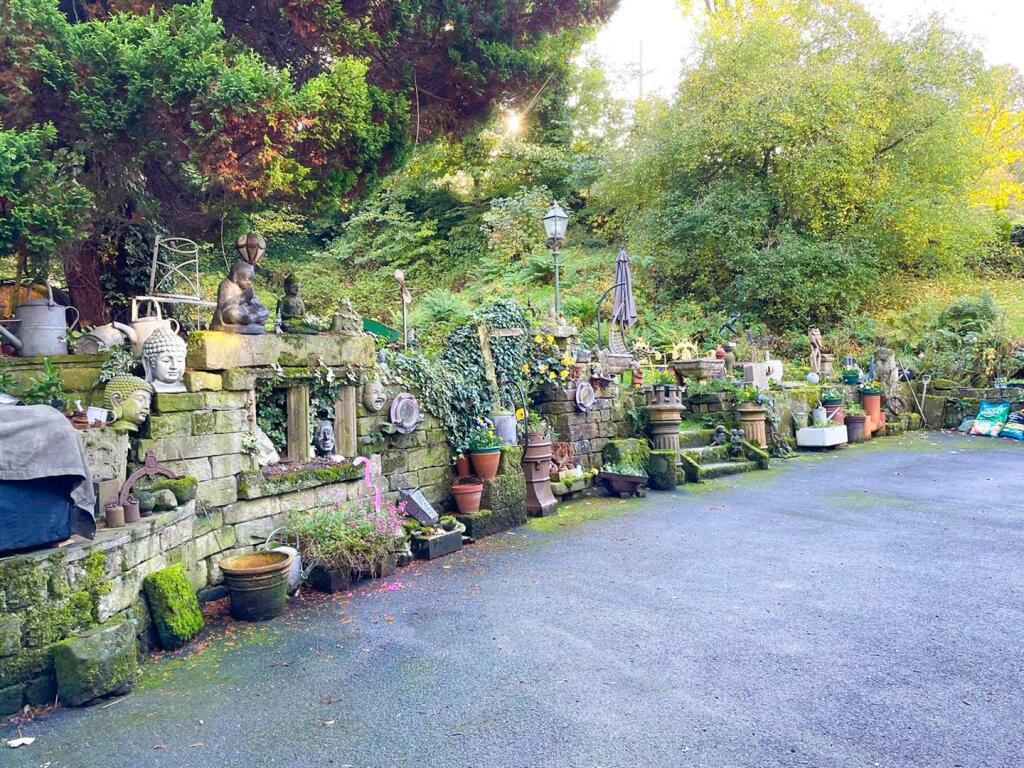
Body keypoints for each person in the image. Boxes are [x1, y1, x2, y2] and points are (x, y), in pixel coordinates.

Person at [211, 260, 269, 333]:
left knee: (264, 311)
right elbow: (223, 306)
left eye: (251, 280)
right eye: (248, 279)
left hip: (246, 311)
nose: (250, 282)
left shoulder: (248, 287)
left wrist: (254, 303)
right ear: (236, 277)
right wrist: (243, 298)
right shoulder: (226, 285)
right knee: (233, 314)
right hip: (231, 311)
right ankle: (250, 319)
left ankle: (251, 319)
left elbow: (255, 303)